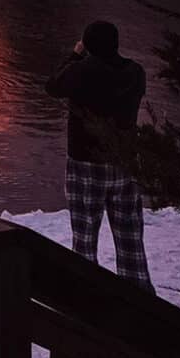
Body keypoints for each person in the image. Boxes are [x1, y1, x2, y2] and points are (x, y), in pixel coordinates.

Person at [46, 19, 152, 288]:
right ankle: (141, 302)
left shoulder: (80, 71)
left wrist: (74, 54)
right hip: (124, 164)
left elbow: (52, 87)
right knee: (131, 242)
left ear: (88, 45)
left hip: (85, 166)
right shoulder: (135, 72)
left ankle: (86, 299)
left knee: (84, 241)